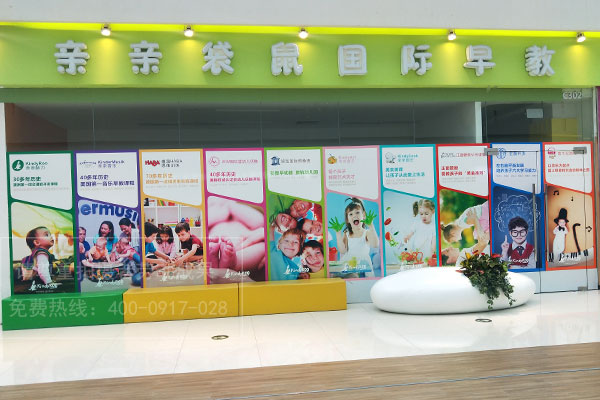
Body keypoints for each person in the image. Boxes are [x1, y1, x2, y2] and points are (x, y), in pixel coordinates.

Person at [333, 198, 379, 277]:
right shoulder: (346, 233)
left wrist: (371, 226)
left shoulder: (366, 233)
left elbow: (375, 244)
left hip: (363, 263)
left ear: (363, 215)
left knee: (354, 276)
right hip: (350, 261)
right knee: (336, 275)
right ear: (347, 220)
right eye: (351, 214)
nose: (354, 215)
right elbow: (342, 251)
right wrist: (338, 234)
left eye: (357, 212)